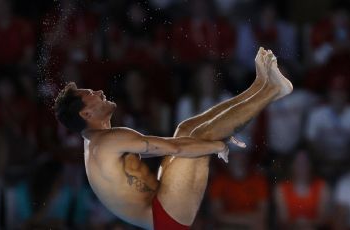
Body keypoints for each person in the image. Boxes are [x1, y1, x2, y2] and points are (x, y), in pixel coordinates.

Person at [54, 47, 292, 229]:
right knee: (200, 136)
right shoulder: (108, 140)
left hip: (159, 208)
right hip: (164, 217)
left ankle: (260, 85)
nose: (98, 92)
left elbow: (168, 146)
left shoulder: (98, 142)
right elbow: (175, 149)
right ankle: (273, 91)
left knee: (186, 127)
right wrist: (217, 144)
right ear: (86, 113)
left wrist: (212, 141)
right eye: (91, 95)